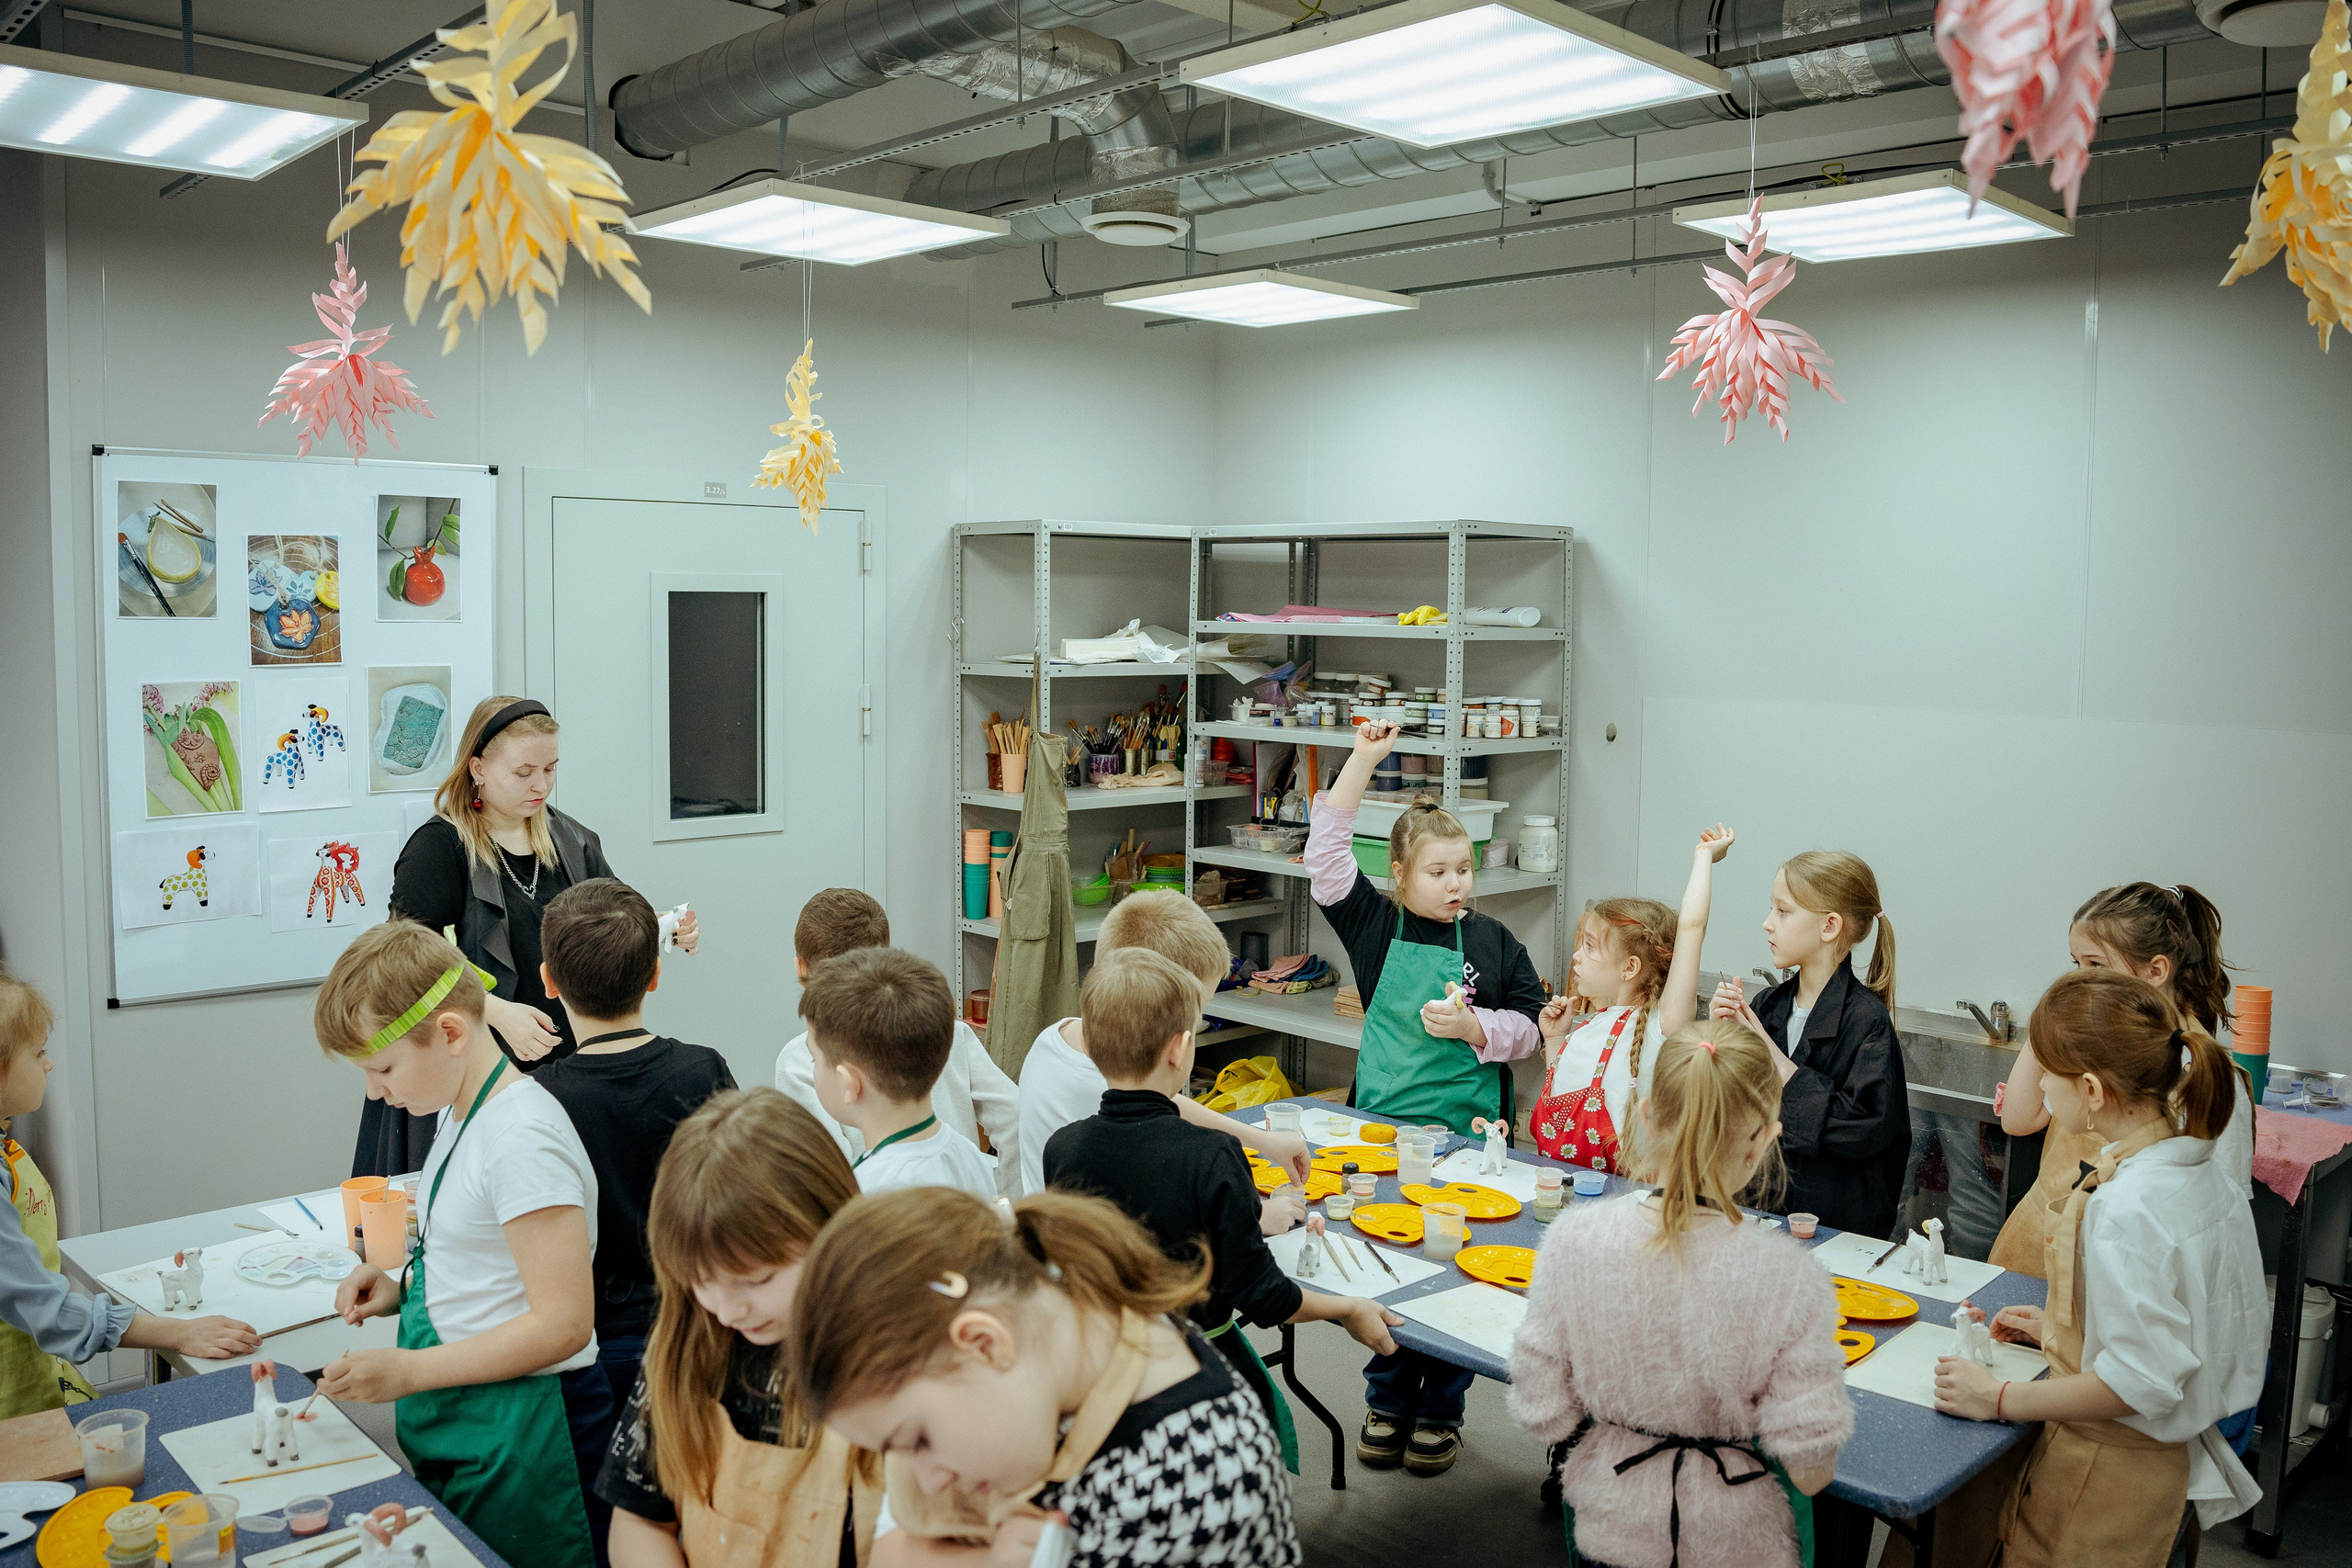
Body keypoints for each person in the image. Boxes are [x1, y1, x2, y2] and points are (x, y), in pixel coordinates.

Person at [1935, 968, 2265, 1564]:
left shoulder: (2126, 1205)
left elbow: (2136, 1384)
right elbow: (2176, 1332)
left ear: (2090, 1090)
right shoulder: (2193, 1167)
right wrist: (2068, 1329)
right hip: (2154, 1473)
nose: (2040, 1090)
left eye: (2046, 1072)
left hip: (2104, 1475)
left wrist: (1997, 1395)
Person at [786, 1187, 1301, 1568]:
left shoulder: (1188, 1492)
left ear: (986, 1343)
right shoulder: (1074, 1335)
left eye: (919, 1440)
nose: (930, 1480)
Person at [314, 920, 614, 1568]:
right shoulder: (460, 1110)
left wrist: (410, 1372)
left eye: (383, 1067)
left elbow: (564, 1323)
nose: (375, 1090)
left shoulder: (521, 1138)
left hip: (529, 1432)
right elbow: (491, 1265)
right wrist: (400, 1291)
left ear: (450, 1033)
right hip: (474, 1417)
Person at [1042, 947, 1402, 1471]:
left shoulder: (1062, 1148)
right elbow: (1265, 1298)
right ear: (1181, 1050)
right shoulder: (1211, 1156)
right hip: (1194, 1378)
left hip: (1093, 1378)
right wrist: (1348, 1309)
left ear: (1093, 1049)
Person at [1511, 1019, 1852, 1568]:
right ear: (1766, 1137)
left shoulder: (1573, 1241)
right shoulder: (1789, 1277)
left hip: (1611, 1532)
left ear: (1644, 1114)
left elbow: (1542, 1413)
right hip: (1736, 1544)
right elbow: (1812, 1469)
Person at [1309, 720, 1545, 1475]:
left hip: (1471, 1140)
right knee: (1385, 1266)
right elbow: (1326, 852)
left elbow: (1534, 1028)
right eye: (1439, 871)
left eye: (1464, 870)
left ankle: (1441, 1405)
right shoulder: (1375, 926)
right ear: (1401, 872)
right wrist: (1364, 759)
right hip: (1382, 1134)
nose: (1456, 885)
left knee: (1456, 1269)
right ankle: (1386, 1398)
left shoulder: (1496, 942)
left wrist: (1478, 1025)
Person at [356, 695, 703, 1178]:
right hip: (474, 1063)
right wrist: (495, 1011)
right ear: (477, 768)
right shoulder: (438, 849)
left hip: (565, 1062)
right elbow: (406, 960)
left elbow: (612, 916)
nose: (541, 785)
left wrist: (665, 924)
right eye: (523, 773)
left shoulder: (570, 839)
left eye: (551, 769)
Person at [600, 1089, 879, 1568]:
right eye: (702, 1282)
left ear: (832, 1232)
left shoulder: (896, 1358)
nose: (728, 1312)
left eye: (756, 1280)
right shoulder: (687, 1346)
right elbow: (640, 1520)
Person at [0, 971, 256, 1416]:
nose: (49, 1064)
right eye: (38, 1052)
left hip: (34, 1368)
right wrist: (175, 1333)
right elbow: (46, 1309)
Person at [532, 878, 738, 1415]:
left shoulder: (539, 1099)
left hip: (590, 1350)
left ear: (549, 983)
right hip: (699, 1331)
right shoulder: (703, 1070)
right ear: (655, 974)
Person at [1990, 883, 2253, 1276]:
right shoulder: (2092, 1042)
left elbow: (2218, 1221)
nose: (2080, 980)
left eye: (2095, 966)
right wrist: (2053, 1017)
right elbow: (2017, 1118)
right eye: (2075, 966)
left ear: (2157, 970)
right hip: (2040, 1248)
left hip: (2125, 1268)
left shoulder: (2203, 1074)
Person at [1017, 889, 1312, 1215]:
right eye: (1198, 1007)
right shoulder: (1090, 1089)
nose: (1198, 1021)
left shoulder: (1063, 1037)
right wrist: (1255, 1217)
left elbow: (1166, 1103)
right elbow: (1151, 1220)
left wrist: (1264, 1141)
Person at [1710, 851, 1909, 1239]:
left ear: (1829, 926)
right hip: (1756, 1216)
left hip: (1834, 1234)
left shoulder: (1868, 1022)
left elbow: (1862, 1129)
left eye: (1783, 911)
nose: (1767, 923)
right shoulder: (1767, 1006)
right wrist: (1720, 1042)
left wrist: (1775, 1060)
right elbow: (1726, 1107)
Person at [775, 888, 1020, 1197]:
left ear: (801, 969)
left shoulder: (799, 1060)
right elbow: (1015, 1114)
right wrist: (1012, 1202)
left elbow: (825, 1179)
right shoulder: (946, 1029)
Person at [1532, 826, 1734, 1174]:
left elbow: (1691, 927)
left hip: (1623, 1200)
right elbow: (1562, 1111)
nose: (1576, 956)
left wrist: (1703, 859)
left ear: (1630, 967)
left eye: (1590, 947)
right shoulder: (1592, 1023)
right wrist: (1554, 1041)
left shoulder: (1662, 1024)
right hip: (1563, 1189)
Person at [799, 949, 996, 1199]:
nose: (813, 1066)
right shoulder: (972, 1159)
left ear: (849, 1083)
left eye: (815, 1059)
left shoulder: (867, 1194)